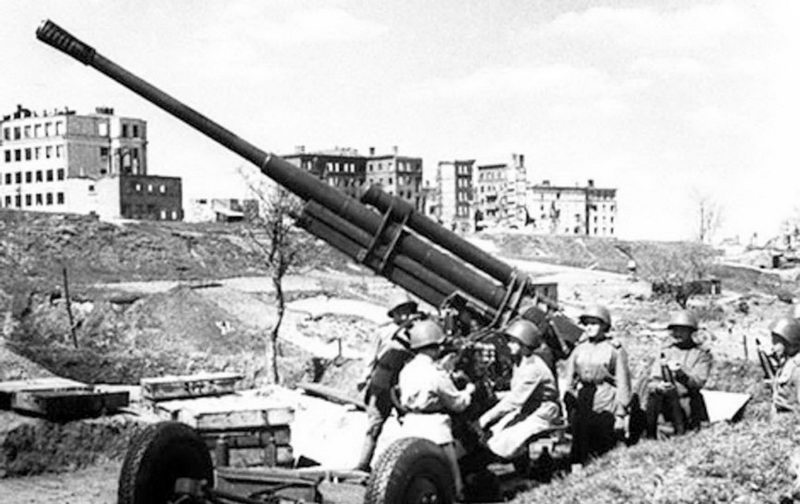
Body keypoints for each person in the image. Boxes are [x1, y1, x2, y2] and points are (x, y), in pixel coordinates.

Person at [398, 318, 475, 499]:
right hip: (436, 430)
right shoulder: (436, 374)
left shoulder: (406, 370)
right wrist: (468, 391)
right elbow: (457, 404)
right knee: (451, 481)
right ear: (435, 347)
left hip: (409, 427)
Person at [478, 319, 562, 461]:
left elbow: (514, 400)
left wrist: (484, 419)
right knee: (494, 433)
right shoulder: (521, 363)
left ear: (524, 344)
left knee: (507, 440)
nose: (508, 344)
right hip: (528, 408)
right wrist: (494, 395)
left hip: (543, 412)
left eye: (513, 341)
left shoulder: (533, 368)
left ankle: (535, 464)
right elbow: (517, 392)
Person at [354, 294, 420, 472]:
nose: (405, 315)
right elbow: (371, 357)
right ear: (394, 314)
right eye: (401, 312)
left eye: (408, 311)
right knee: (374, 426)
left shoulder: (417, 332)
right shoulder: (383, 332)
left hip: (404, 385)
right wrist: (364, 377)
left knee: (412, 425)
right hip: (382, 383)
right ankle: (363, 464)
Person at [563, 304, 631, 465]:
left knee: (603, 446)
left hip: (605, 399)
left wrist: (621, 414)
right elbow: (570, 378)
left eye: (594, 323)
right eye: (587, 324)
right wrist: (569, 403)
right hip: (583, 400)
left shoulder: (614, 350)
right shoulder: (579, 349)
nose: (589, 327)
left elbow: (623, 382)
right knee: (580, 445)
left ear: (604, 326)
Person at [640, 310, 712, 438]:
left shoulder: (701, 355)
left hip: (689, 406)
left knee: (689, 438)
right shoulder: (665, 352)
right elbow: (653, 380)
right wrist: (659, 386)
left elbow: (698, 382)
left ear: (691, 332)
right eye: (675, 330)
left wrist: (681, 372)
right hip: (666, 407)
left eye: (682, 330)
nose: (678, 334)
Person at [769, 316, 800, 416]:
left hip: (790, 421)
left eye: (775, 342)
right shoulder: (787, 362)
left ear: (788, 341)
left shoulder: (797, 369)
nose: (772, 347)